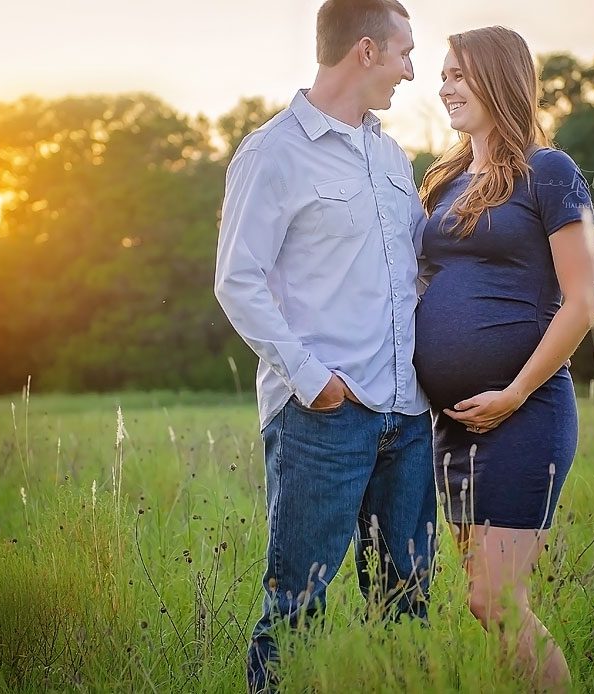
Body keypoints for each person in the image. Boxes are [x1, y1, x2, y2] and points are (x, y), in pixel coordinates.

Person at [213, 0, 435, 690]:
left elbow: (422, 269)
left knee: (406, 608)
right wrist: (314, 380)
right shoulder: (274, 151)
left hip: (409, 412)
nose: (409, 69)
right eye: (403, 52)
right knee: (296, 608)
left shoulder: (391, 155)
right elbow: (236, 280)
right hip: (324, 416)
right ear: (365, 51)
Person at [413, 26, 594, 691]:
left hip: (523, 414)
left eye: (459, 74)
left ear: (499, 78)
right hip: (452, 423)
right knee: (486, 605)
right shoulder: (442, 181)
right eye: (442, 74)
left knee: (495, 601)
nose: (444, 87)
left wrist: (515, 393)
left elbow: (583, 301)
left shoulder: (550, 172)